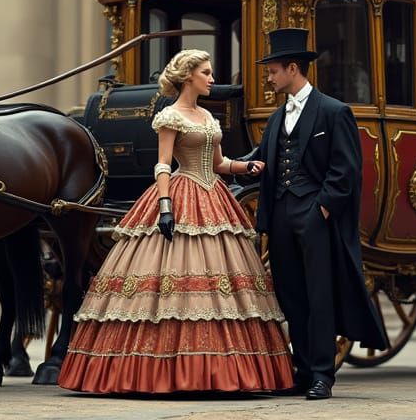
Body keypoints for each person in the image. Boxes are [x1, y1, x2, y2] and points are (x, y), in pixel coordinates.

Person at [58, 49, 294, 394]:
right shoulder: (171, 117)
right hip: (181, 194)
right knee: (168, 278)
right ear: (188, 77)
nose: (212, 78)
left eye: (211, 72)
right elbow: (164, 165)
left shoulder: (208, 117)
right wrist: (165, 205)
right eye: (206, 72)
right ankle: (159, 370)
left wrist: (244, 167)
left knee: (224, 281)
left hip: (214, 196)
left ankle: (226, 370)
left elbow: (218, 163)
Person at [253, 28, 388, 400]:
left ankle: (322, 376)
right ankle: (302, 370)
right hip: (281, 214)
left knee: (319, 295)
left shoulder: (333, 111)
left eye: (273, 70)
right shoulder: (277, 118)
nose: (269, 77)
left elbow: (346, 170)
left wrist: (322, 209)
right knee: (291, 294)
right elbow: (262, 159)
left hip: (314, 214)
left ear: (292, 68)